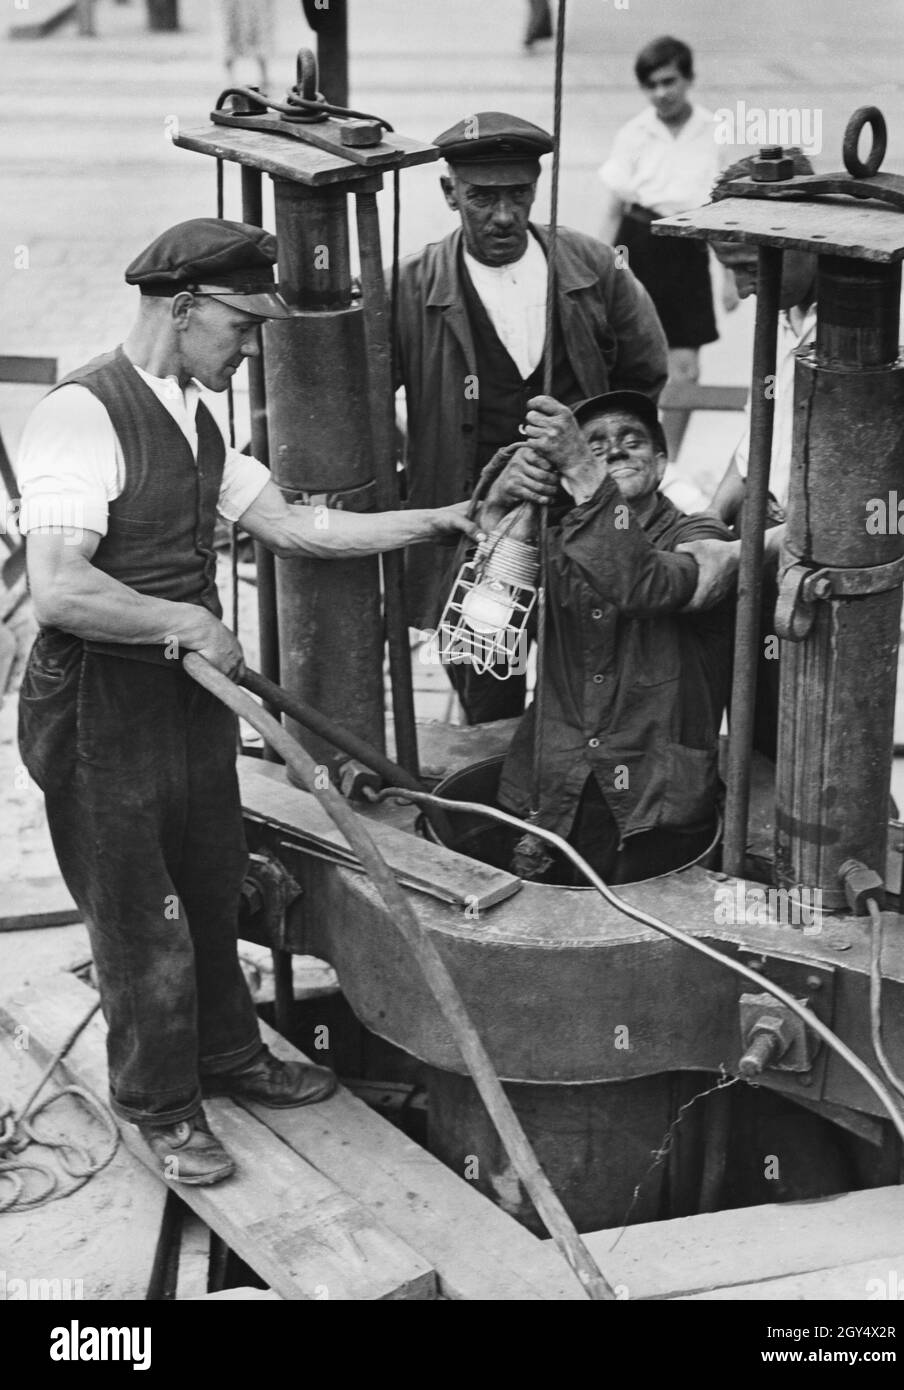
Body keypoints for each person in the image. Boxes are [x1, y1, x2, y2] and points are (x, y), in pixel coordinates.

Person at [16, 218, 478, 1186]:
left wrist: (437, 520)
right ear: (183, 309)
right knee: (145, 912)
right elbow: (61, 588)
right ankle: (160, 1103)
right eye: (241, 323)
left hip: (186, 698)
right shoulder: (81, 415)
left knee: (210, 874)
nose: (254, 343)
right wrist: (187, 624)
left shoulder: (197, 414)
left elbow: (296, 525)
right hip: (100, 706)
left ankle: (228, 1053)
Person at [395, 110, 669, 725]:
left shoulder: (594, 267)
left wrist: (596, 462)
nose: (502, 215)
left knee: (595, 691)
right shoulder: (410, 287)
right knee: (488, 688)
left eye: (518, 195)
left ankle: (570, 813)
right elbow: (358, 398)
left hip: (590, 528)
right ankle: (494, 812)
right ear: (449, 194)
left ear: (537, 189)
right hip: (481, 538)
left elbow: (644, 375)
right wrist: (424, 472)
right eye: (481, 197)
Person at [707, 153, 904, 758]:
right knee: (760, 736)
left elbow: (899, 513)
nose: (740, 290)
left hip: (827, 579)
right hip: (766, 549)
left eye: (747, 267)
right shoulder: (788, 316)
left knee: (823, 751)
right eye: (726, 269)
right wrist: (708, 525)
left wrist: (754, 551)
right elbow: (757, 445)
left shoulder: (895, 342)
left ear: (801, 243)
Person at [476, 390, 737, 885]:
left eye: (631, 441)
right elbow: (485, 623)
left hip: (656, 799)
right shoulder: (553, 541)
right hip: (553, 783)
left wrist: (580, 466)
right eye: (594, 445)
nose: (614, 451)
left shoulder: (702, 536)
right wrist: (501, 506)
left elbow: (643, 583)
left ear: (662, 463)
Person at [598, 36, 734, 461]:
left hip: (688, 251)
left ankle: (668, 461)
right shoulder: (634, 133)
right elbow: (613, 209)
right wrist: (598, 269)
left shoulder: (712, 131)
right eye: (651, 85)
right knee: (626, 361)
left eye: (669, 81)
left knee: (685, 367)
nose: (661, 93)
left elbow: (724, 208)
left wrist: (729, 276)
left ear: (688, 78)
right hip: (637, 245)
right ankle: (626, 458)